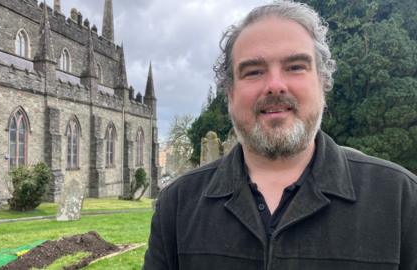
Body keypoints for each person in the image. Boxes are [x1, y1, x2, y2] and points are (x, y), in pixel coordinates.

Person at [143, 1, 417, 269]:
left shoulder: (402, 199)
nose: (275, 85)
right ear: (230, 93)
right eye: (254, 71)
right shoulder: (177, 204)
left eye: (295, 66)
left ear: (323, 83)